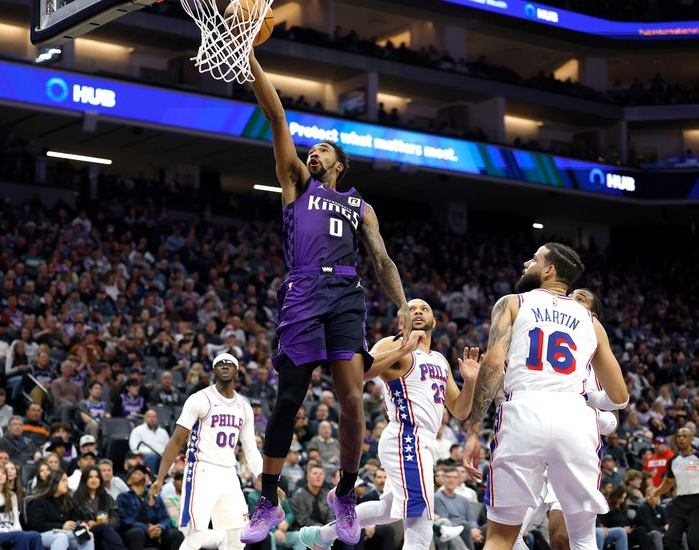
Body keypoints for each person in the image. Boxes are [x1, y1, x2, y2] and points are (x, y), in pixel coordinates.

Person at [242, 49, 412, 546]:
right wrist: (248, 55)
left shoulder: (360, 205)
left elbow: (380, 258)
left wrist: (401, 303)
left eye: (321, 150)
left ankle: (344, 493)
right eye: (309, 149)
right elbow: (276, 114)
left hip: (347, 294)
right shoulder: (295, 182)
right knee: (289, 398)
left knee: (352, 400)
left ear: (340, 163)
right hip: (302, 289)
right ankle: (269, 501)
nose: (312, 154)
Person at [462, 243, 629, 550]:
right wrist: (589, 401)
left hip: (524, 412)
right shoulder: (591, 321)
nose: (527, 263)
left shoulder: (512, 303)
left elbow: (493, 365)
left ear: (549, 270)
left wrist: (473, 430)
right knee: (581, 538)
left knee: (501, 537)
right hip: (575, 419)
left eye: (534, 259)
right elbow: (619, 396)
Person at [300, 298, 481, 550]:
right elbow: (359, 373)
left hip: (423, 441)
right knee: (420, 526)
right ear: (401, 321)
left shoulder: (440, 359)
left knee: (388, 510)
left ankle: (321, 536)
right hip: (407, 436)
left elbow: (460, 411)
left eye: (424, 309)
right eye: (411, 309)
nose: (418, 312)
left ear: (435, 321)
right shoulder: (393, 343)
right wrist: (402, 350)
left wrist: (470, 382)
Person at [149, 353, 262, 550]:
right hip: (202, 470)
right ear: (214, 371)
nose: (225, 366)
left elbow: (250, 448)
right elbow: (176, 441)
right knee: (196, 534)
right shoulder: (200, 399)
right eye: (220, 364)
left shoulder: (244, 407)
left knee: (237, 537)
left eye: (229, 364)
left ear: (237, 371)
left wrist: (263, 476)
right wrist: (160, 477)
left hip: (228, 472)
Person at [652, 427, 698, 549]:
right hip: (680, 502)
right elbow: (668, 482)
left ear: (691, 439)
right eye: (679, 436)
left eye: (684, 436)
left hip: (697, 502)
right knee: (671, 539)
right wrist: (655, 492)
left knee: (694, 540)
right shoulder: (673, 460)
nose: (681, 439)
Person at [26, 470, 95, 550]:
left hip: (66, 533)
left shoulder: (68, 501)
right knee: (61, 537)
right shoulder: (38, 501)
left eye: (67, 481)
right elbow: (37, 525)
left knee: (86, 535)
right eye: (63, 480)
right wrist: (61, 526)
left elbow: (75, 519)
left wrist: (81, 525)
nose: (66, 483)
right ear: (54, 482)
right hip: (41, 535)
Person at [118, 465, 182, 550]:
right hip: (136, 532)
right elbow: (126, 520)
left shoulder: (154, 496)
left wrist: (160, 527)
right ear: (128, 480)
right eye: (136, 473)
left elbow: (165, 517)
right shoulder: (124, 497)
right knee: (137, 532)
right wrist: (146, 528)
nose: (140, 473)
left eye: (142, 473)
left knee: (176, 534)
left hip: (156, 531)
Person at [0, 464, 42, 550]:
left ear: (6, 478)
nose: (0, 475)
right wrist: (8, 531)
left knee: (35, 536)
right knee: (20, 536)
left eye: (3, 473)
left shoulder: (12, 496)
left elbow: (16, 522)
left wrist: (16, 530)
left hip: (12, 531)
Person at [72, 465, 125, 550]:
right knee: (104, 527)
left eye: (97, 477)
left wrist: (108, 521)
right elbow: (73, 520)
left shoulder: (107, 497)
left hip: (105, 533)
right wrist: (87, 522)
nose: (94, 480)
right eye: (90, 477)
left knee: (105, 541)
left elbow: (116, 518)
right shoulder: (76, 498)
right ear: (85, 479)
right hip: (87, 532)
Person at [129, 409, 169, 474]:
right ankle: (152, 478)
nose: (152, 419)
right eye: (149, 417)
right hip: (145, 456)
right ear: (145, 418)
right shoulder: (137, 431)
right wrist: (150, 452)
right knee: (153, 456)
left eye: (154, 417)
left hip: (162, 456)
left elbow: (168, 447)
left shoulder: (163, 432)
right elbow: (134, 448)